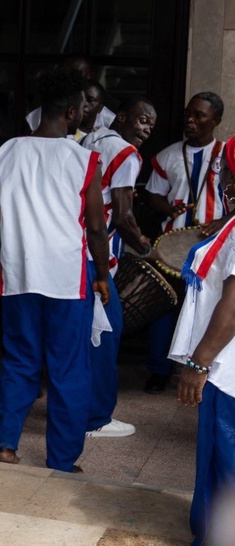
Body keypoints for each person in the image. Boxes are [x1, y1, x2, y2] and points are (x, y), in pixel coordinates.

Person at [0, 68, 110, 472]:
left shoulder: (4, 153)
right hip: (66, 277)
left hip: (19, 273)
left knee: (20, 360)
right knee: (68, 368)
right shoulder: (84, 160)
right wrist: (103, 274)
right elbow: (94, 226)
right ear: (73, 112)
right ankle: (61, 459)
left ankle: (6, 445)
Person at [169, 135, 235, 545]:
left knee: (224, 461)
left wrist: (199, 363)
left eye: (223, 167)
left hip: (227, 371)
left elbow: (232, 306)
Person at [80, 96, 158, 438]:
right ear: (123, 117)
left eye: (151, 126)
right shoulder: (127, 154)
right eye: (142, 121)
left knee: (87, 335)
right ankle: (96, 418)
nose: (146, 130)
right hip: (97, 256)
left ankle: (80, 410)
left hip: (75, 248)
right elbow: (124, 216)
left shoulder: (89, 139)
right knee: (107, 334)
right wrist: (145, 245)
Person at [144, 91, 230, 394]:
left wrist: (222, 221)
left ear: (216, 121)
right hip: (174, 248)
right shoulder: (168, 155)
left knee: (210, 308)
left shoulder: (227, 155)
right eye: (188, 114)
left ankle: (207, 372)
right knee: (164, 306)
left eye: (200, 116)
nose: (190, 121)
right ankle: (159, 370)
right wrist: (168, 209)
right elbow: (153, 194)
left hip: (215, 249)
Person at [25, 57, 115, 134]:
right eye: (65, 74)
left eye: (76, 74)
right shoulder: (43, 113)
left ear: (90, 75)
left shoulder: (107, 118)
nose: (69, 79)